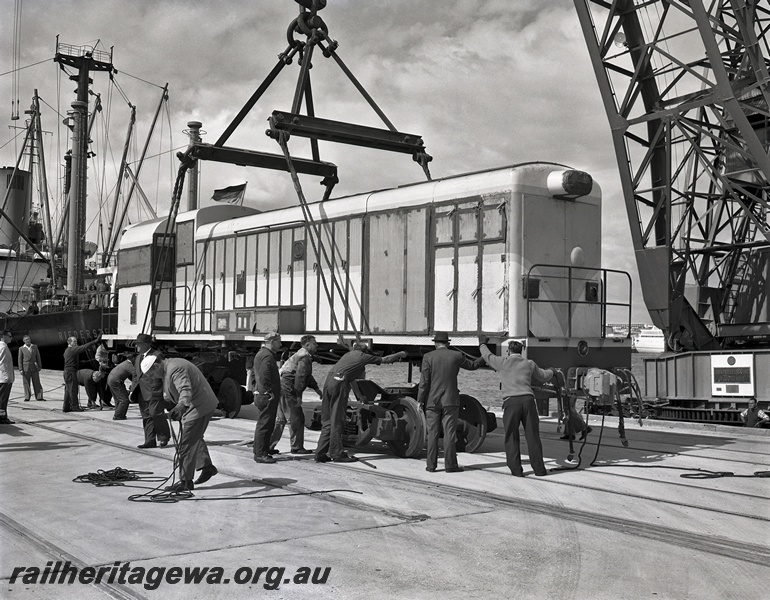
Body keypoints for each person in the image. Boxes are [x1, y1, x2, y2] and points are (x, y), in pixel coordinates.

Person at [316, 341, 407, 463]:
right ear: (365, 351)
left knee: (327, 421)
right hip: (339, 383)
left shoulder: (348, 356)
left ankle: (320, 453)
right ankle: (336, 454)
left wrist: (360, 396)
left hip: (328, 383)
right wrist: (401, 353)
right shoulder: (362, 356)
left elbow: (352, 379)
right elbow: (385, 359)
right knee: (338, 421)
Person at [479, 338, 554, 477]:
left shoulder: (502, 362)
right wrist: (552, 371)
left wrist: (482, 343)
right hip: (528, 401)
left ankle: (516, 470)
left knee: (511, 436)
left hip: (511, 402)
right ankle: (539, 470)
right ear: (522, 351)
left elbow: (487, 356)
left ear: (509, 351)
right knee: (533, 436)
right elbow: (543, 376)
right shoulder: (529, 363)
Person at [418, 332, 483, 473]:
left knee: (433, 434)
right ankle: (450, 465)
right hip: (450, 400)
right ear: (447, 343)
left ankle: (431, 466)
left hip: (432, 402)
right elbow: (472, 365)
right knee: (449, 433)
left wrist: (420, 400)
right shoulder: (456, 356)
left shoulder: (428, 357)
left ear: (435, 343)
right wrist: (485, 356)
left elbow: (424, 382)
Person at [161, 357, 219, 493]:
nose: (152, 376)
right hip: (200, 404)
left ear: (156, 365)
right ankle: (206, 466)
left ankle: (186, 481)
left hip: (199, 406)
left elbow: (185, 389)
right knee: (195, 436)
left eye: (151, 372)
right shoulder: (168, 367)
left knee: (187, 443)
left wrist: (181, 405)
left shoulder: (175, 369)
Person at [270, 334, 322, 455]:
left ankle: (268, 445)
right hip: (288, 388)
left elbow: (306, 375)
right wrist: (298, 396)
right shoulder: (305, 358)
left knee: (281, 419)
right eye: (315, 343)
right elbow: (301, 377)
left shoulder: (300, 355)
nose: (317, 345)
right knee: (296, 418)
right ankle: (297, 447)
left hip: (280, 386)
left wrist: (317, 389)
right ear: (307, 345)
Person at [129, 333, 170, 449]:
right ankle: (150, 440)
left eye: (139, 344)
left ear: (147, 344)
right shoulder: (137, 358)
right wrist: (132, 389)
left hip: (154, 390)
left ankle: (163, 437)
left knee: (156, 413)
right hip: (141, 391)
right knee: (146, 416)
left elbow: (163, 373)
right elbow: (136, 375)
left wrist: (164, 390)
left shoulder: (157, 355)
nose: (137, 346)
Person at [252, 331, 283, 464]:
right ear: (272, 342)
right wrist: (269, 392)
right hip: (266, 396)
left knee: (264, 423)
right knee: (265, 424)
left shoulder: (263, 354)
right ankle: (261, 454)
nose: (280, 344)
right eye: (279, 342)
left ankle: (261, 449)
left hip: (262, 394)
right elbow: (265, 375)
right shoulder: (267, 356)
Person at [63, 334, 102, 413]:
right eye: (74, 341)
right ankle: (75, 407)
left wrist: (77, 362)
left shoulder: (67, 350)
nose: (76, 343)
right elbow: (84, 347)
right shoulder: (72, 349)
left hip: (67, 372)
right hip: (71, 372)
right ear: (69, 342)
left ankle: (66, 407)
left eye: (76, 341)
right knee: (73, 390)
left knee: (68, 390)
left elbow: (69, 360)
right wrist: (95, 341)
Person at [18, 335, 44, 402]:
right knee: (26, 383)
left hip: (34, 367)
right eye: (26, 340)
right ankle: (27, 397)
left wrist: (39, 365)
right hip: (26, 367)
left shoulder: (34, 347)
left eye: (28, 339)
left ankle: (39, 397)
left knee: (37, 382)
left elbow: (38, 356)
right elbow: (20, 359)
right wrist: (20, 369)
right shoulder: (21, 348)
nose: (28, 340)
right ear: (24, 341)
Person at [0, 331, 15, 425]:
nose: (11, 338)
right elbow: (4, 364)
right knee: (2, 400)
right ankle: (2, 418)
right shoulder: (4, 347)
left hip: (1, 377)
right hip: (4, 379)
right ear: (4, 336)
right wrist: (8, 377)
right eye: (10, 336)